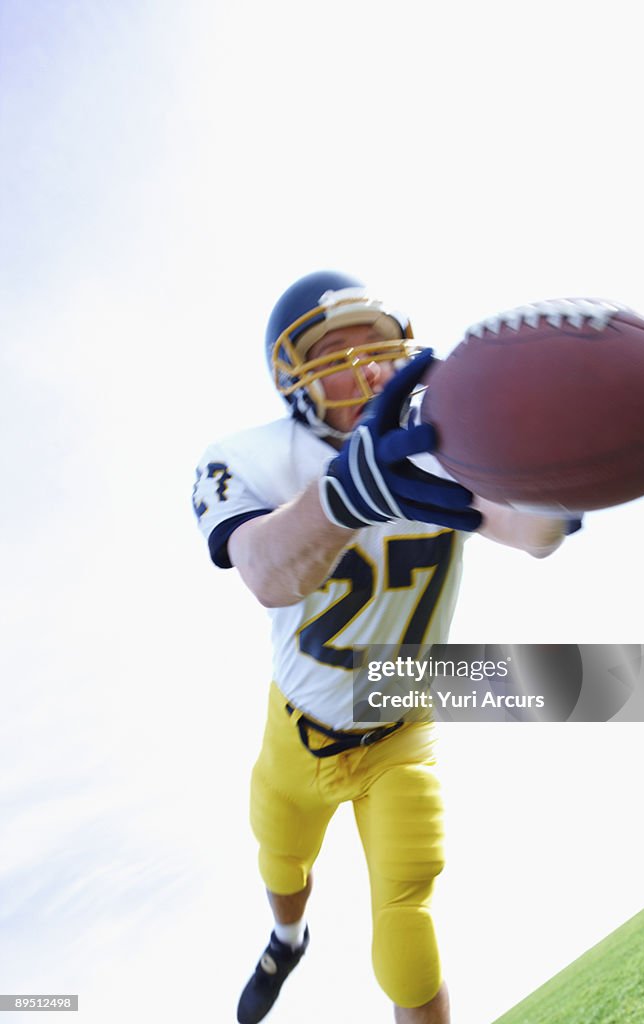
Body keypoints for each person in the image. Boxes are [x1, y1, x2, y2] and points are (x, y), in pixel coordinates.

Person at [192, 271, 580, 1023]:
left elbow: (534, 535)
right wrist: (343, 496)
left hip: (400, 719)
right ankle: (286, 939)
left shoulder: (448, 447)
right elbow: (264, 573)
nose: (361, 367)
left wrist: (557, 457)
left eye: (374, 348)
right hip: (296, 723)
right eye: (332, 355)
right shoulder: (249, 456)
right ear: (294, 379)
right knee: (281, 860)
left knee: (407, 932)